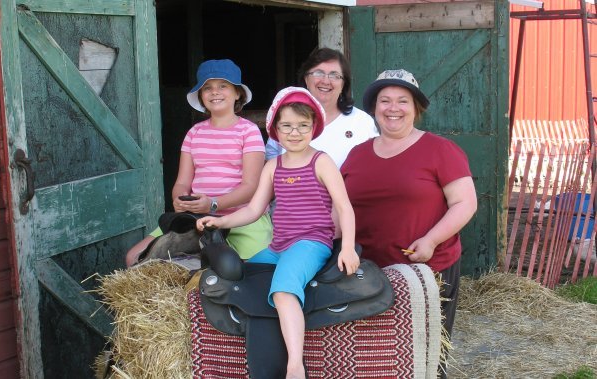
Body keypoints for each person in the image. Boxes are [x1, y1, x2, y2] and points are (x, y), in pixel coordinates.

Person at [197, 87, 359, 379]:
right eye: (286, 126)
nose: (294, 133)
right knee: (243, 278)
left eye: (302, 126)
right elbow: (254, 209)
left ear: (313, 128)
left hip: (311, 242)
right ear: (275, 129)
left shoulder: (321, 162)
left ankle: (295, 364)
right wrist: (220, 222)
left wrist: (346, 247)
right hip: (279, 244)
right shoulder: (273, 166)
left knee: (284, 291)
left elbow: (344, 207)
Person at [340, 69, 477, 377]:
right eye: (384, 100)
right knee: (376, 350)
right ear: (374, 109)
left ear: (417, 109)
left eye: (403, 100)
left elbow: (465, 203)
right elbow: (341, 207)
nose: (393, 108)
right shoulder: (357, 154)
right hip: (368, 271)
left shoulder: (440, 150)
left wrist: (430, 239)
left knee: (425, 352)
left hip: (428, 270)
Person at [125, 59, 272, 267]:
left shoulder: (248, 131)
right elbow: (183, 182)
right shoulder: (194, 133)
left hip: (242, 218)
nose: (215, 92)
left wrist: (213, 203)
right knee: (134, 257)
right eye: (207, 88)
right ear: (201, 96)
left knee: (251, 268)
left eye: (223, 86)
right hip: (196, 219)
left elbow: (251, 186)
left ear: (237, 93)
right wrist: (179, 200)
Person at [265, 48, 377, 168]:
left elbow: (373, 167)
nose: (326, 81)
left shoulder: (362, 121)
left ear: (343, 84)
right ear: (306, 79)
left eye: (334, 75)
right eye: (319, 73)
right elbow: (273, 167)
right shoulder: (284, 119)